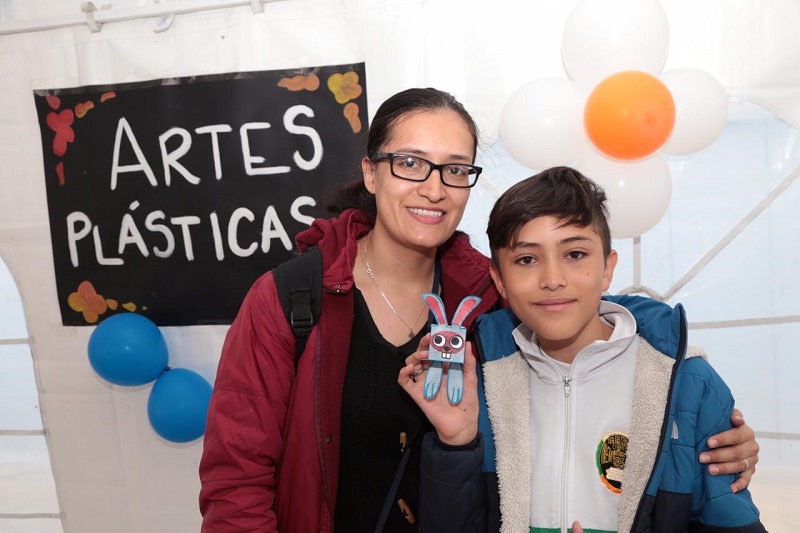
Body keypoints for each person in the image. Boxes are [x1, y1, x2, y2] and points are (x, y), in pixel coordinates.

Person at [198, 88, 759, 532]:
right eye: (411, 163)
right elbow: (236, 480)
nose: (434, 188)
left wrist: (694, 413)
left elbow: (578, 309)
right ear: (371, 173)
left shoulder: (486, 299)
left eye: (455, 168)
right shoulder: (293, 298)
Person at [402, 167, 765, 532]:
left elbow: (729, 519)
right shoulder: (477, 387)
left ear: (607, 268)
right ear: (500, 280)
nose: (552, 279)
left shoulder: (687, 383)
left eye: (575, 254)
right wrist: (455, 445)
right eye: (527, 259)